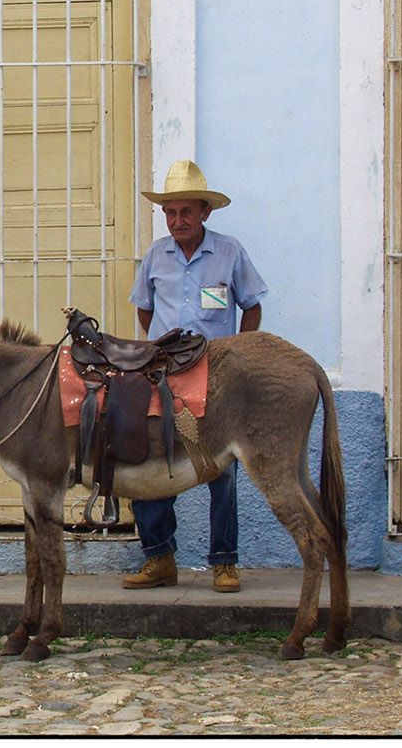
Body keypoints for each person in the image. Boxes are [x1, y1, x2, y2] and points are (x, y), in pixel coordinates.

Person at [122, 160, 267, 594]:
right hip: (161, 372)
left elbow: (252, 304)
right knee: (149, 460)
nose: (177, 220)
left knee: (220, 468)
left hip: (214, 373)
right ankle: (159, 559)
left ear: (205, 212)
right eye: (170, 212)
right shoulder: (155, 255)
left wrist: (237, 352)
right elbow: (144, 307)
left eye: (186, 212)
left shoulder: (230, 252)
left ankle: (224, 562)